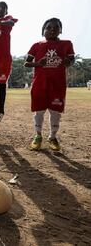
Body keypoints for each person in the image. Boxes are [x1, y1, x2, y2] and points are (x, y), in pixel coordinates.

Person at [24, 18, 75, 151]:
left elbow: (71, 60)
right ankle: (38, 135)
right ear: (43, 31)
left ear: (60, 30)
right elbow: (26, 63)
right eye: (49, 27)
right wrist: (38, 64)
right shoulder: (37, 45)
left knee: (55, 112)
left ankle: (52, 137)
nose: (52, 30)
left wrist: (68, 62)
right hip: (39, 84)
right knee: (39, 111)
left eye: (56, 27)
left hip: (57, 84)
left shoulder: (67, 44)